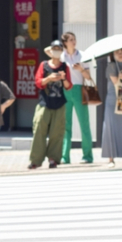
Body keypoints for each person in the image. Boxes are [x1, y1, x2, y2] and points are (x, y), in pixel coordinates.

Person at [29, 40, 72, 169]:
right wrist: (49, 78)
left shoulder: (65, 67)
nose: (56, 51)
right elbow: (38, 82)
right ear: (51, 51)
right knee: (38, 130)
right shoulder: (44, 65)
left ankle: (53, 159)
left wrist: (63, 78)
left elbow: (69, 86)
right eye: (54, 48)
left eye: (59, 49)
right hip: (44, 103)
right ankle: (35, 160)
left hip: (59, 103)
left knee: (57, 132)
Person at [59, 32, 94, 164]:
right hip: (65, 90)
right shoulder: (62, 57)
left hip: (79, 89)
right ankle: (64, 156)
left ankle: (87, 156)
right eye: (71, 40)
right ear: (65, 43)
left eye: (75, 39)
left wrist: (81, 69)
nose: (74, 42)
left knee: (84, 123)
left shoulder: (82, 55)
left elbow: (89, 77)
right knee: (65, 125)